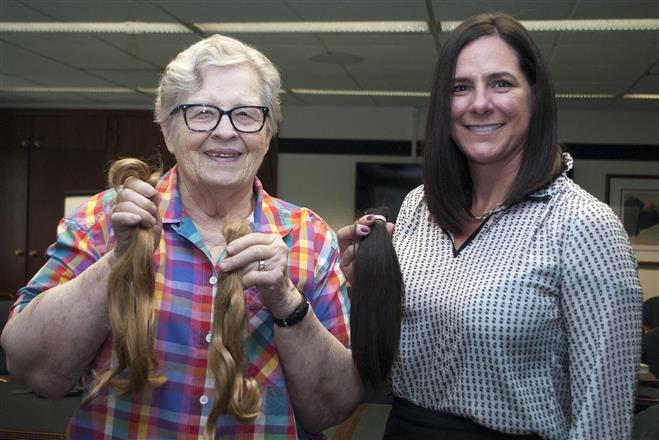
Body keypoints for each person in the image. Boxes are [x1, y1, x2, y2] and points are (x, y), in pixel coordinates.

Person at [1, 34, 362, 438]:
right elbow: (30, 369)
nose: (225, 132)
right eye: (202, 113)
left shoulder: (310, 238)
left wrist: (288, 303)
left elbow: (332, 408)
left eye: (245, 115)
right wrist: (118, 261)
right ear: (168, 128)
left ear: (268, 130)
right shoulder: (106, 219)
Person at [338, 12, 642, 440]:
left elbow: (603, 422)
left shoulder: (583, 226)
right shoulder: (418, 206)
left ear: (534, 96)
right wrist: (369, 283)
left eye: (501, 82)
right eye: (461, 87)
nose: (479, 103)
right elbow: (394, 358)